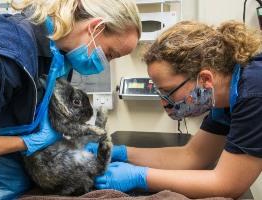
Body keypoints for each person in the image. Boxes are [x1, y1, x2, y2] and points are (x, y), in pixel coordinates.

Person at [0, 0, 141, 199]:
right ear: (95, 28)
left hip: (17, 180)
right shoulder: (0, 58)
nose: (105, 63)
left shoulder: (59, 54)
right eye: (110, 54)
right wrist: (28, 142)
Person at [86, 20, 262, 199]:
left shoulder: (254, 92)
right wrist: (121, 153)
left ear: (205, 80)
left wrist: (140, 176)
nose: (164, 102)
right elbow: (192, 156)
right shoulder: (225, 99)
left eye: (168, 91)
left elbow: (227, 184)